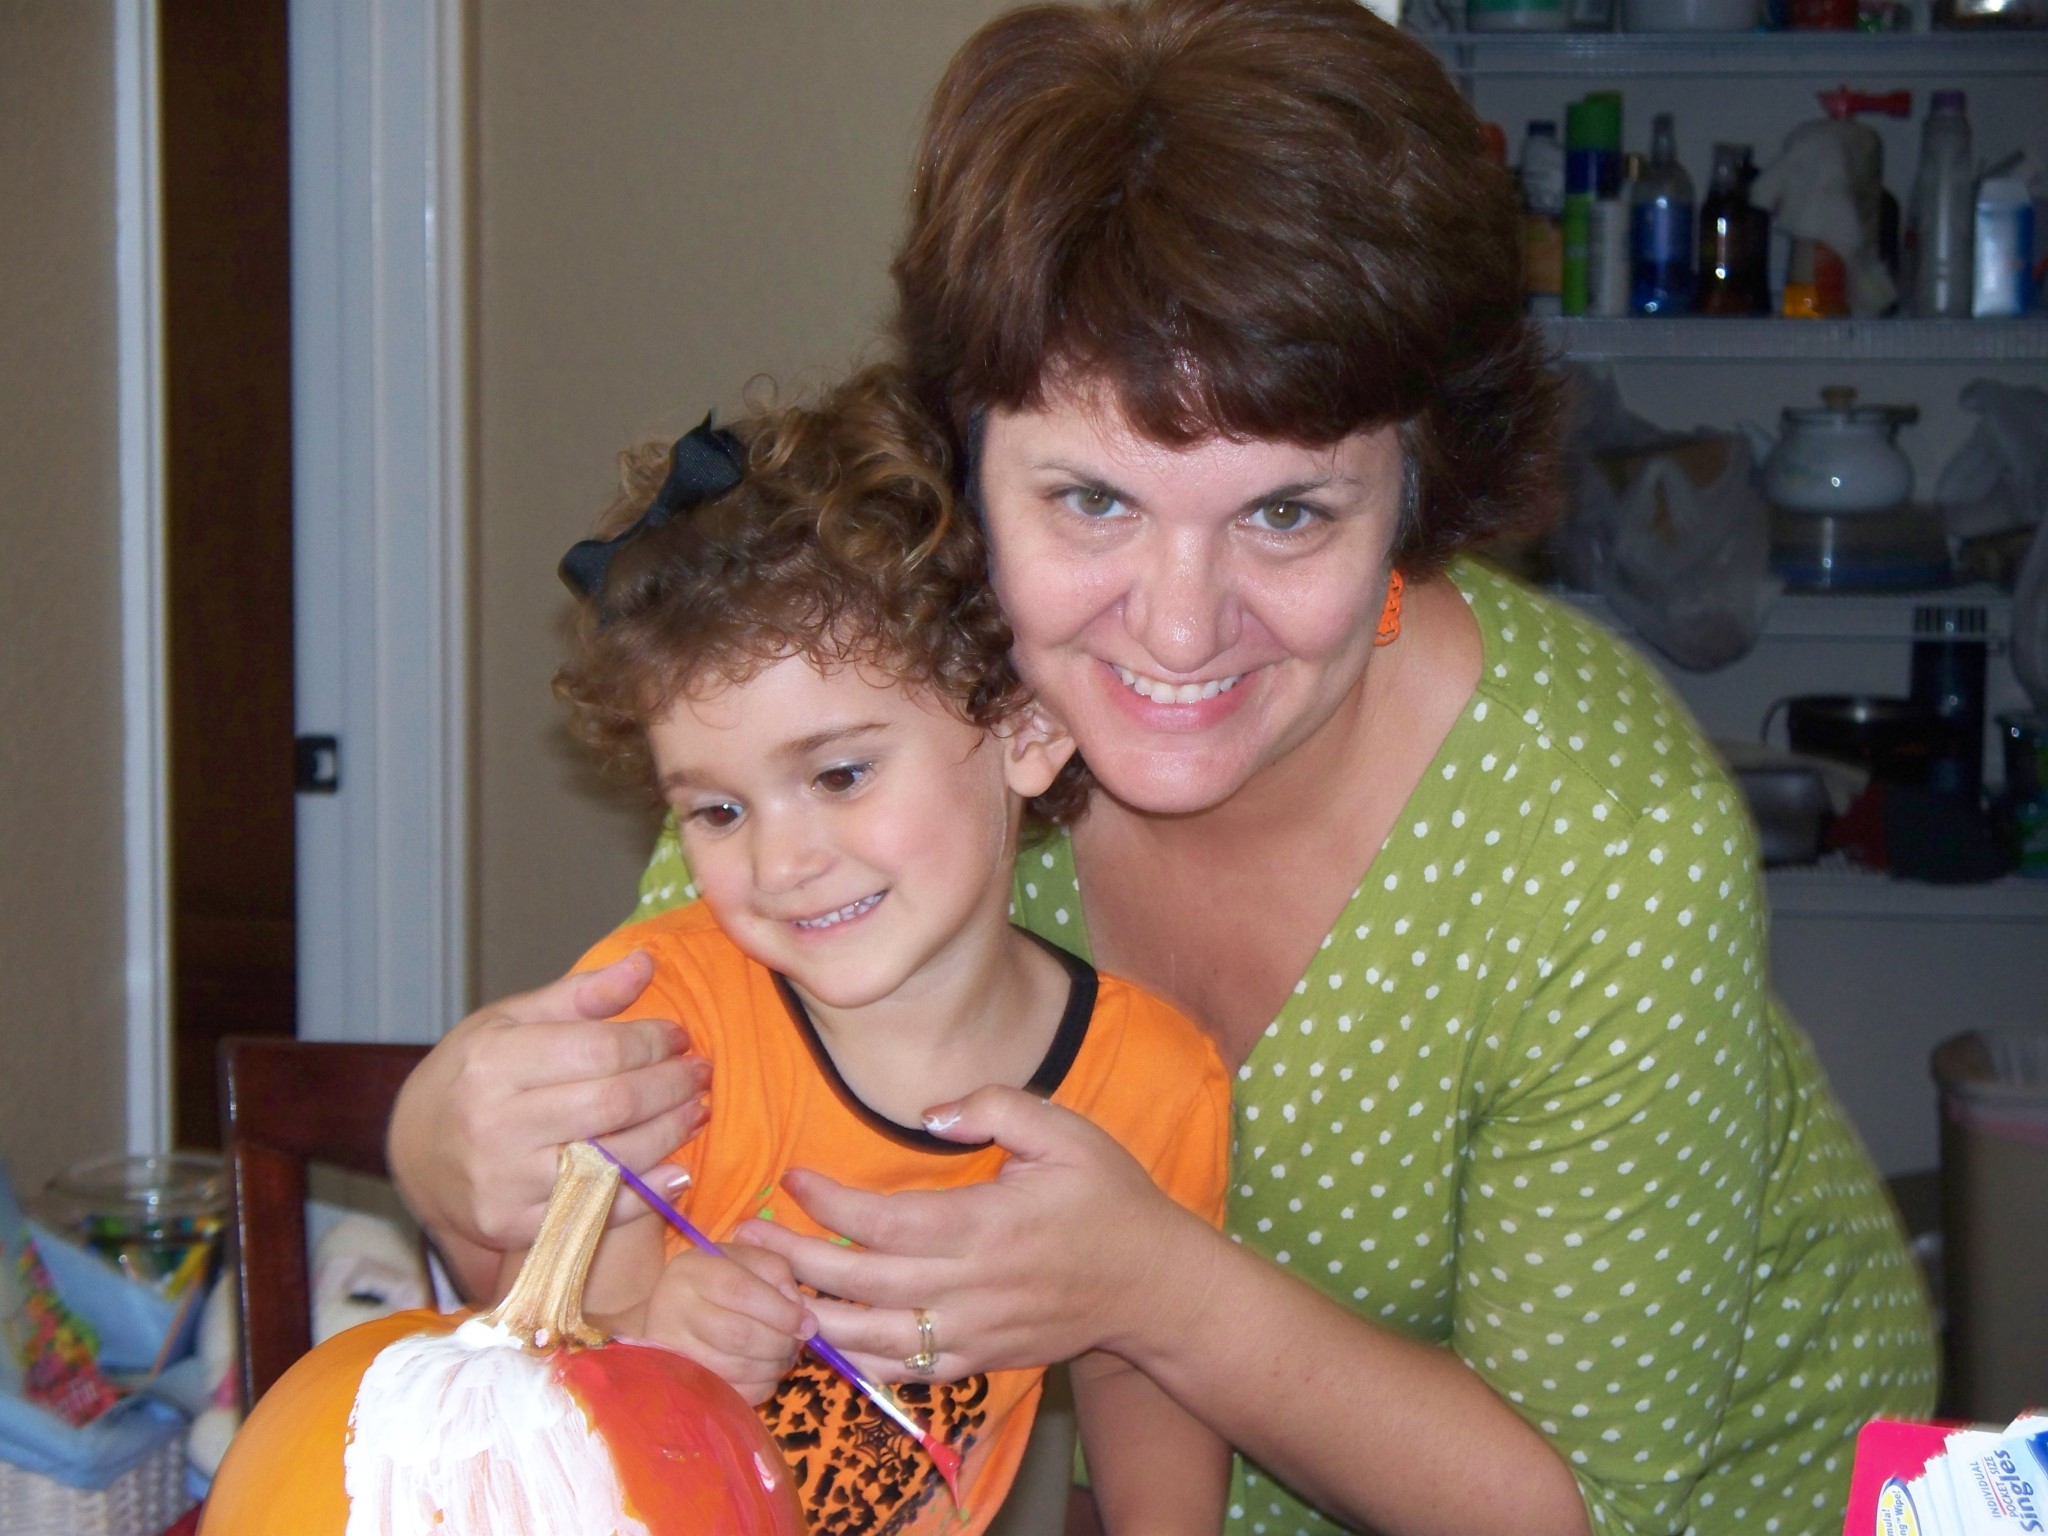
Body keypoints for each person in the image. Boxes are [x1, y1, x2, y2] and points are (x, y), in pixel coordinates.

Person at [389, 3, 1939, 1533]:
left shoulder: (1604, 841)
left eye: (1286, 514)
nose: (1180, 630)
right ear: (961, 464)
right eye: (1092, 502)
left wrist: (1153, 1288)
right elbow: (624, 1251)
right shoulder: (862, 726)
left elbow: (1579, 1507)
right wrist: (450, 1161)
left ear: (1417, 497)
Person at [541, 368, 1234, 1536]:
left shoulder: (1151, 1091)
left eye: (839, 774)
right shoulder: (651, 1026)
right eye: (716, 810)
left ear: (1025, 729)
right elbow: (521, 1379)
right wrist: (654, 1333)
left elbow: (1146, 1384)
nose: (780, 862)